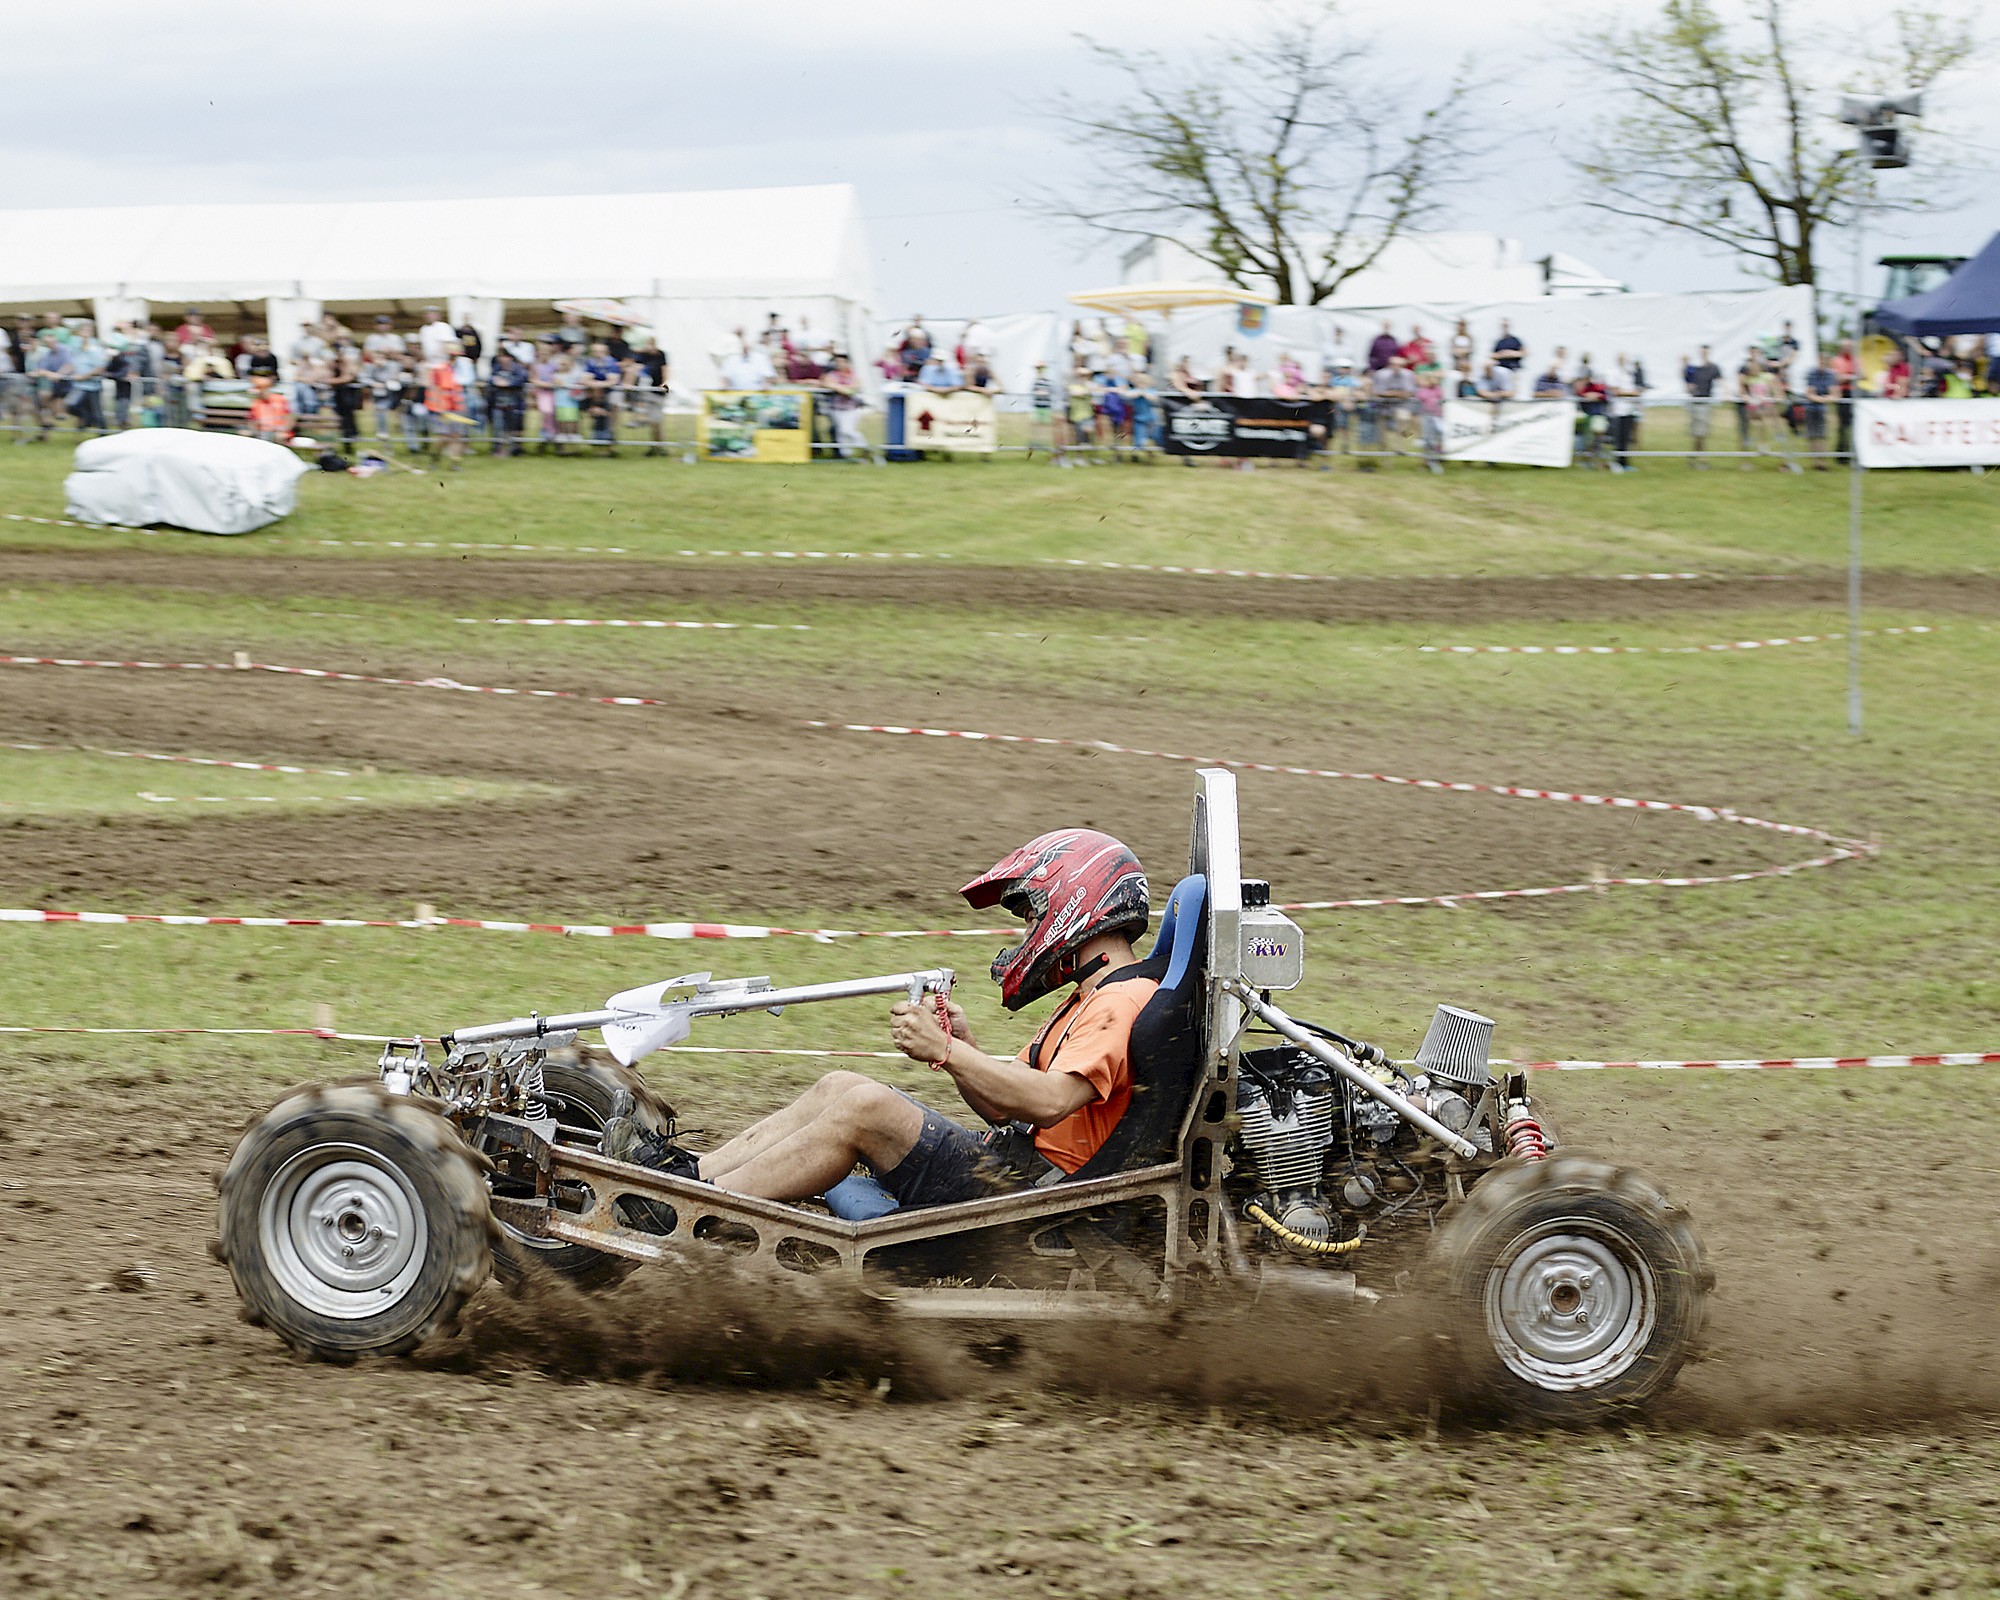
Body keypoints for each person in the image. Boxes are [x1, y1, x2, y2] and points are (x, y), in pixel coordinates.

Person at [604, 830, 1157, 1208]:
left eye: (1032, 912)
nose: (1028, 928)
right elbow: (1008, 1106)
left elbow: (1049, 1101)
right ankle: (688, 1179)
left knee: (865, 1107)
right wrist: (964, 1046)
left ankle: (688, 1206)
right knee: (840, 1084)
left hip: (1024, 1193)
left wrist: (946, 1052)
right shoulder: (1096, 996)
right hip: (1013, 1167)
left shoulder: (1118, 1001)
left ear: (1074, 905)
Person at [425, 343, 470, 469]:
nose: (454, 359)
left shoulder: (464, 368)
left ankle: (454, 464)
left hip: (458, 407)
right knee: (443, 437)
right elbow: (434, 389)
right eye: (452, 356)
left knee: (457, 436)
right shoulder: (439, 370)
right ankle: (434, 460)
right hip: (443, 408)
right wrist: (439, 407)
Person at [822, 353, 867, 460]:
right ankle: (845, 454)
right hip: (836, 408)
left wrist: (839, 387)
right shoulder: (831, 375)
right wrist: (844, 389)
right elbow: (828, 383)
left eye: (842, 362)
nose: (839, 364)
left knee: (847, 430)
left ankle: (864, 446)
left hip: (851, 408)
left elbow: (855, 387)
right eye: (837, 362)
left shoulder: (854, 375)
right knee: (840, 432)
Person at [1682, 346, 1721, 465]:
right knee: (1699, 432)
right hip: (1695, 401)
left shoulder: (1713, 368)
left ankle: (1695, 457)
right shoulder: (1693, 368)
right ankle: (1700, 459)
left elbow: (1720, 380)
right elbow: (1687, 381)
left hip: (1706, 401)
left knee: (1701, 432)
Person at [488, 347, 530, 456]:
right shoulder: (496, 369)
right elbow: (490, 380)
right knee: (498, 428)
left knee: (511, 429)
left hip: (513, 404)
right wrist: (495, 381)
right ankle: (498, 449)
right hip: (498, 404)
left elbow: (522, 379)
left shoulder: (518, 369)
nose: (502, 359)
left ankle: (512, 449)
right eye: (500, 357)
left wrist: (508, 383)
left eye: (504, 356)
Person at [1606, 353, 1642, 471]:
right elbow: (1615, 391)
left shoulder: (1628, 373)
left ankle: (1625, 463)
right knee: (1618, 439)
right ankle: (1617, 463)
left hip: (1628, 409)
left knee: (1626, 439)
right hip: (1618, 410)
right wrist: (1632, 393)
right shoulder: (1613, 373)